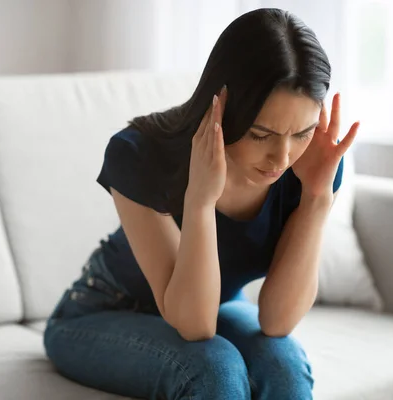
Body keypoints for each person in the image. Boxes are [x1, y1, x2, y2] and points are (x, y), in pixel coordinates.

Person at [43, 8, 359, 400]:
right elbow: (195, 327)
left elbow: (277, 321)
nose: (282, 158)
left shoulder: (312, 167)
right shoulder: (139, 153)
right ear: (222, 108)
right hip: (104, 309)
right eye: (261, 134)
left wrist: (316, 197)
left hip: (215, 302)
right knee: (213, 368)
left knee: (284, 365)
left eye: (302, 133)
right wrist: (200, 201)